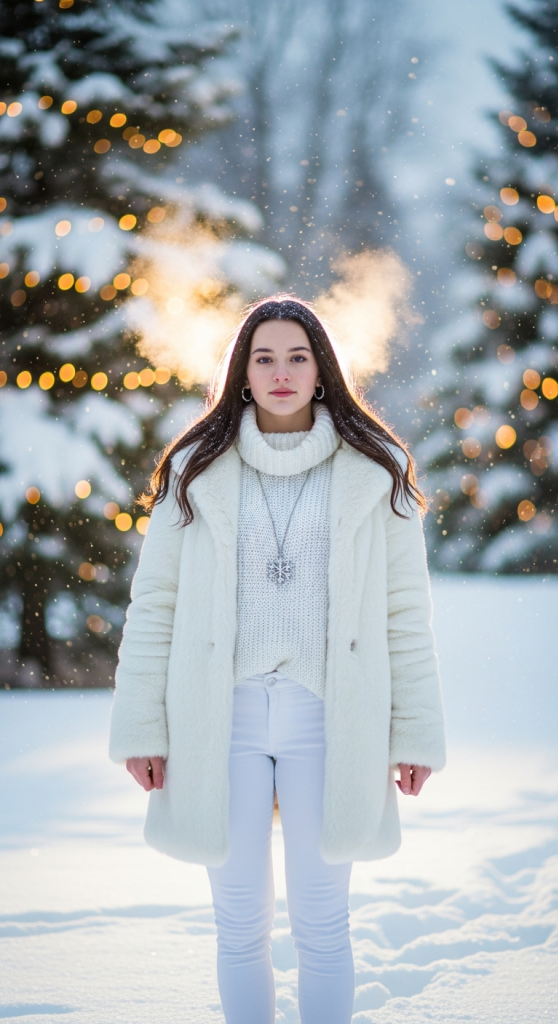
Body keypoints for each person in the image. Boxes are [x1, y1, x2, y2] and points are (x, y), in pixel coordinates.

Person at [109, 296, 446, 1024]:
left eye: (297, 357)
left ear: (322, 371)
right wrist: (141, 728)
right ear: (242, 373)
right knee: (239, 929)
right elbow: (156, 604)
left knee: (323, 928)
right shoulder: (193, 470)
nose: (281, 371)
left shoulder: (374, 472)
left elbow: (404, 616)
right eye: (264, 357)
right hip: (216, 720)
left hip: (329, 720)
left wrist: (414, 734)